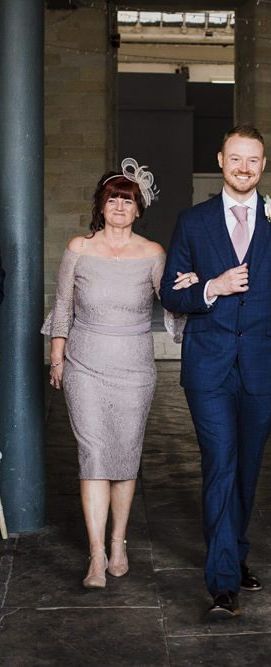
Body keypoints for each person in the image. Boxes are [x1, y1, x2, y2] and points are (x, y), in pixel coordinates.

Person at [159, 125, 271, 620]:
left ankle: (234, 552)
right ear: (221, 160)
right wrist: (212, 286)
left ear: (263, 165)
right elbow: (171, 293)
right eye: (236, 158)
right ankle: (223, 579)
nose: (244, 168)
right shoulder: (193, 222)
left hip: (265, 370)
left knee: (246, 468)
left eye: (254, 160)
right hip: (209, 369)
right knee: (220, 462)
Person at [42, 159, 164, 589]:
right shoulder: (79, 248)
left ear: (138, 209)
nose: (118, 205)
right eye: (112, 198)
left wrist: (200, 284)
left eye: (126, 200)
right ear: (101, 204)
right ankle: (96, 555)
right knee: (93, 456)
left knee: (124, 455)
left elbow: (173, 299)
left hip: (134, 367)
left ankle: (118, 543)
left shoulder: (152, 254)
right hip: (85, 365)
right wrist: (57, 357)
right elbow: (62, 307)